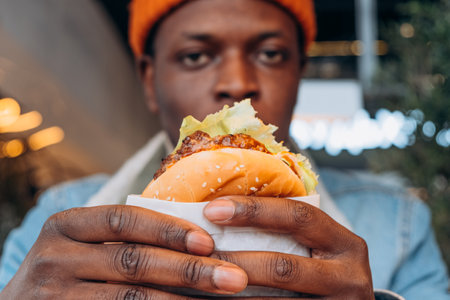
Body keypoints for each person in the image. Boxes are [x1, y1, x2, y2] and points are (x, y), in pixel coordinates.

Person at [0, 0, 449, 299]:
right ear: (150, 81)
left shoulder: (399, 224)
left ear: (299, 73)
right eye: (196, 56)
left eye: (271, 53)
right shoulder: (54, 223)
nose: (237, 83)